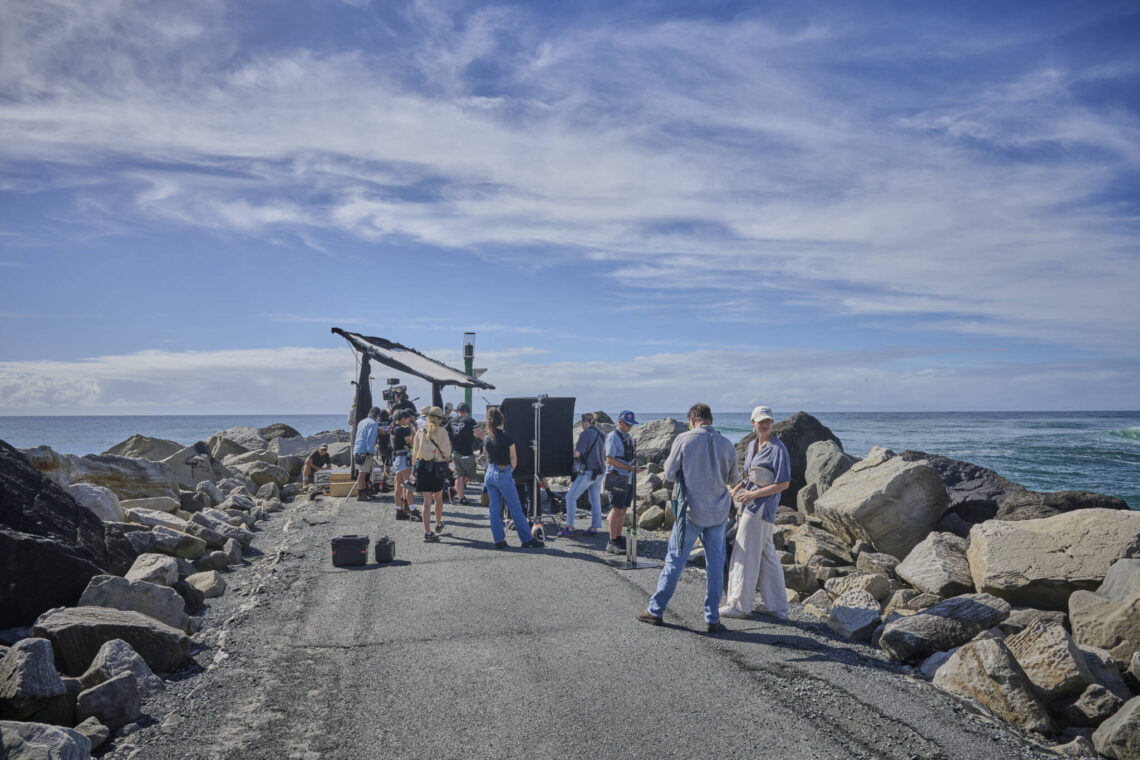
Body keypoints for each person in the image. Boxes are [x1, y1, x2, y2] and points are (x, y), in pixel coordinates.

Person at [637, 403, 739, 633]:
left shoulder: (684, 439)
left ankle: (656, 610)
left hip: (691, 512)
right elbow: (733, 478)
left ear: (693, 419)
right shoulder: (726, 443)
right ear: (710, 420)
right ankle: (712, 618)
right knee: (715, 565)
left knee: (675, 561)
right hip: (718, 512)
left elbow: (670, 473)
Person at [721, 406, 791, 620]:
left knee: (745, 555)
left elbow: (784, 483)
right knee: (767, 556)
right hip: (749, 504)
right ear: (752, 422)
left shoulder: (779, 449)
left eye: (768, 420)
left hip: (760, 509)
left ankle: (739, 605)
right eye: (760, 421)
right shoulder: (752, 445)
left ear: (772, 422)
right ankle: (777, 607)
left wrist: (754, 495)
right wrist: (738, 488)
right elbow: (749, 476)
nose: (764, 424)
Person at [482, 406, 544, 549]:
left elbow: (486, 457)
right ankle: (527, 539)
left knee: (494, 508)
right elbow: (513, 458)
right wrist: (509, 471)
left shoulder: (486, 438)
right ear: (501, 421)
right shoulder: (507, 438)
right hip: (503, 473)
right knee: (515, 507)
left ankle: (499, 540)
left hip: (490, 473)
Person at [558, 413, 606, 537]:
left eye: (582, 422)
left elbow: (577, 454)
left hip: (588, 472)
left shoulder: (585, 434)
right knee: (595, 500)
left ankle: (569, 527)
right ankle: (594, 527)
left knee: (570, 497)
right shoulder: (601, 434)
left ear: (586, 421)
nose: (582, 424)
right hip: (600, 471)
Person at [412, 406, 452, 542]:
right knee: (438, 498)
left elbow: (415, 453)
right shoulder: (442, 431)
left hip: (422, 467)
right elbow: (447, 452)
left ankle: (427, 532)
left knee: (426, 502)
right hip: (436, 468)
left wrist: (414, 472)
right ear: (440, 419)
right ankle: (438, 523)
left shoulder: (419, 431)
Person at [603, 410, 639, 554]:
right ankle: (612, 541)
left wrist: (633, 467)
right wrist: (628, 467)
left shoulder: (628, 437)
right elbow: (609, 459)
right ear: (619, 422)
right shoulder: (613, 436)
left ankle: (618, 537)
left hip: (627, 477)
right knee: (616, 509)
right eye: (627, 424)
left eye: (631, 425)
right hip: (616, 477)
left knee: (623, 509)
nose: (629, 427)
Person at [447, 402, 483, 505]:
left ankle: (460, 496)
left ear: (457, 411)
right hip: (466, 453)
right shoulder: (470, 421)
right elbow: (479, 433)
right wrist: (489, 441)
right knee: (471, 475)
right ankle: (455, 491)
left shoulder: (451, 421)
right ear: (467, 411)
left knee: (459, 475)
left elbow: (446, 435)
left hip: (455, 452)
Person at [390, 409, 420, 521]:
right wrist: (412, 429)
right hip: (403, 459)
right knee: (409, 485)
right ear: (403, 418)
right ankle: (412, 510)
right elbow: (412, 442)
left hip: (397, 458)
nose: (408, 421)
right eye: (408, 419)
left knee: (398, 487)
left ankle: (399, 510)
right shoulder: (401, 430)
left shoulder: (393, 429)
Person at [352, 407, 383, 501]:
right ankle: (361, 494)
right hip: (365, 451)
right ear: (377, 416)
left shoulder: (362, 422)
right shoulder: (374, 424)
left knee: (363, 473)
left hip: (357, 449)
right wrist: (371, 451)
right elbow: (370, 438)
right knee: (363, 473)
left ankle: (365, 492)